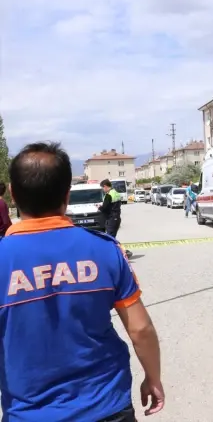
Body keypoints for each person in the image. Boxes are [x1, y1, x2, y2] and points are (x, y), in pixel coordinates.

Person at [0, 142, 164, 420]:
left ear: (13, 195)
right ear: (66, 195)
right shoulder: (105, 250)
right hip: (107, 405)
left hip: (29, 413)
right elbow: (140, 329)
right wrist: (153, 377)